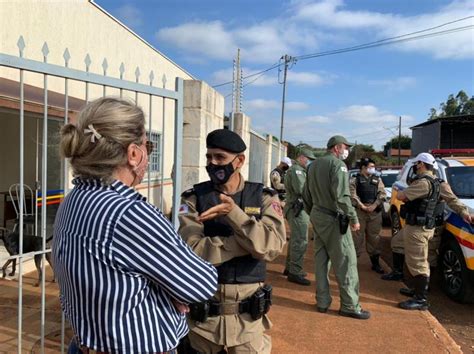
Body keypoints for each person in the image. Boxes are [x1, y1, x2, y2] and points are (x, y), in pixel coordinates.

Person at [52, 97, 218, 353]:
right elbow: (200, 284)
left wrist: (163, 287)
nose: (147, 152)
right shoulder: (128, 212)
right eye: (147, 145)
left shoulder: (74, 199)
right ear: (133, 153)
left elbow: (112, 275)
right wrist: (169, 289)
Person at [178, 129, 286, 353]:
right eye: (209, 157)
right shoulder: (193, 198)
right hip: (203, 323)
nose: (213, 163)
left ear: (239, 161)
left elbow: (273, 246)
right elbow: (192, 252)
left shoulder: (264, 197)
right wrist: (248, 244)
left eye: (220, 158)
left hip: (248, 323)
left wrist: (234, 213)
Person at [393, 152, 473, 310]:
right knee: (416, 252)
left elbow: (402, 196)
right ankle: (418, 288)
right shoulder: (440, 183)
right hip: (428, 227)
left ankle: (420, 299)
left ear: (421, 165)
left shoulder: (422, 183)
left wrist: (408, 188)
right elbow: (453, 200)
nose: (415, 167)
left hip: (418, 228)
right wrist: (464, 212)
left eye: (417, 164)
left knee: (418, 262)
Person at [303, 135, 370, 320]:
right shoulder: (338, 165)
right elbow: (342, 196)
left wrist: (314, 214)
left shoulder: (312, 165)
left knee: (321, 261)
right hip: (334, 219)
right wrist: (353, 217)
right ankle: (350, 305)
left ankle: (322, 302)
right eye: (345, 147)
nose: (346, 151)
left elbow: (306, 195)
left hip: (318, 216)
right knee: (346, 262)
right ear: (337, 147)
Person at [283, 149, 315, 286]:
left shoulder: (299, 170)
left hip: (297, 208)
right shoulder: (297, 171)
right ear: (301, 157)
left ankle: (290, 268)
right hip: (298, 209)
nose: (310, 162)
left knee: (296, 239)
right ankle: (295, 272)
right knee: (301, 240)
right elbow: (302, 190)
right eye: (308, 159)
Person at [349, 157, 386, 274]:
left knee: (374, 238)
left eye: (373, 167)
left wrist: (374, 205)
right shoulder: (355, 180)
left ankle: (375, 263)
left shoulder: (377, 180)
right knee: (357, 238)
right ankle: (352, 264)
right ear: (363, 168)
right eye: (370, 167)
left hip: (374, 213)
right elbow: (352, 195)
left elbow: (382, 193)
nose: (372, 169)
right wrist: (362, 206)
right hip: (360, 212)